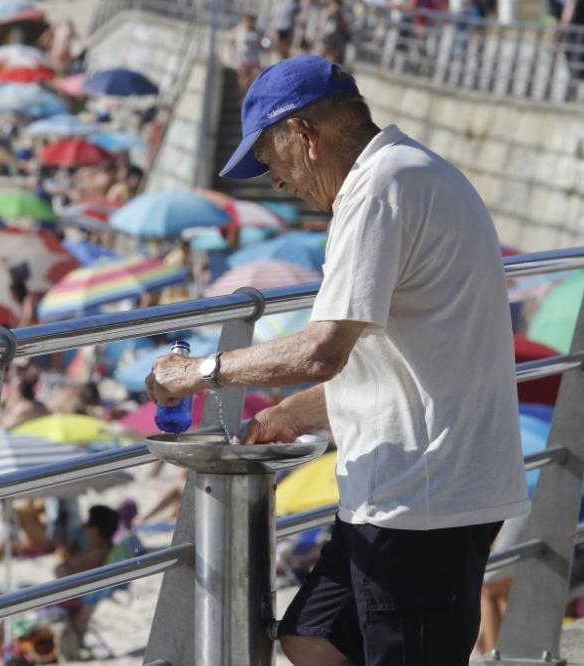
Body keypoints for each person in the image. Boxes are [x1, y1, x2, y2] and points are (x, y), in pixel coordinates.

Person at [145, 56, 529, 666]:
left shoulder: (379, 189)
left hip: (423, 500)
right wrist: (294, 415)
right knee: (311, 636)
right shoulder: (411, 171)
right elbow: (405, 359)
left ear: (303, 133)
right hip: (408, 489)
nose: (273, 179)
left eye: (269, 159)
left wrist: (200, 372)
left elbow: (324, 349)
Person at [229, 14, 264, 97]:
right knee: (243, 80)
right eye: (249, 20)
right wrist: (232, 53)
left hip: (254, 59)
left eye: (253, 21)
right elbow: (231, 40)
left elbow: (261, 44)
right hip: (242, 59)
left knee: (252, 79)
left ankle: (249, 95)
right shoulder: (239, 29)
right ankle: (243, 95)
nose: (250, 23)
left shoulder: (258, 31)